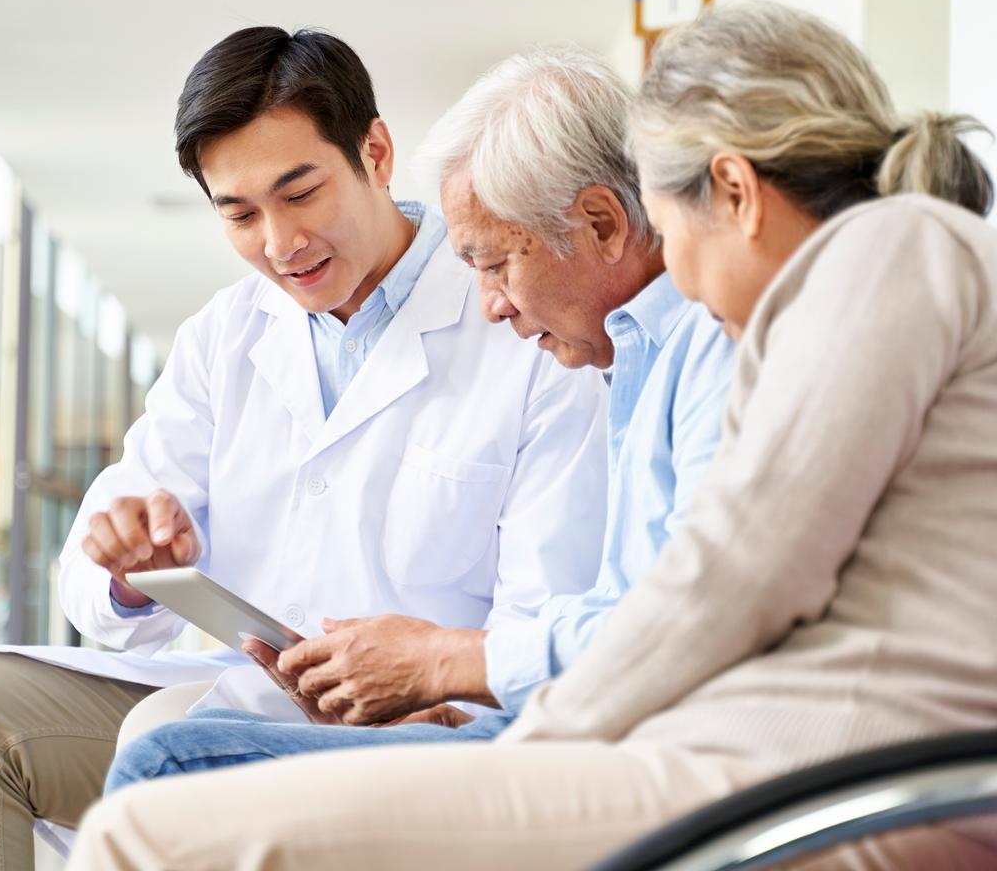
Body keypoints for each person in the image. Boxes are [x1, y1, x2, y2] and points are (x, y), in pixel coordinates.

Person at [66, 1, 997, 871]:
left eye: (671, 232)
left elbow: (736, 579)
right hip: (798, 768)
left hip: (840, 791)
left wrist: (518, 741)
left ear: (735, 194)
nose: (677, 280)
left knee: (144, 818)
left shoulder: (891, 257)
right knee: (170, 779)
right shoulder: (894, 272)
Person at [0, 29, 611, 871]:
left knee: (172, 746)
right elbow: (97, 580)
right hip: (245, 688)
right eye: (239, 213)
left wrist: (440, 686)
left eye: (300, 193)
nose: (280, 242)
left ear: (375, 152)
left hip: (428, 721)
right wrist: (128, 564)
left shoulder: (525, 321)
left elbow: (551, 612)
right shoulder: (224, 337)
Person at [100, 45, 735, 786]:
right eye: (240, 214)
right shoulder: (636, 357)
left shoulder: (679, 353)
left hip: (588, 748)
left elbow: (667, 626)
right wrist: (130, 563)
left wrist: (441, 670)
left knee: (171, 761)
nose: (492, 303)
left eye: (496, 264)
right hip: (503, 715)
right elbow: (616, 612)